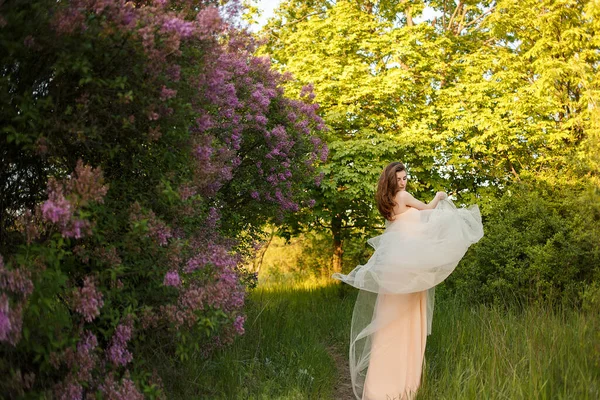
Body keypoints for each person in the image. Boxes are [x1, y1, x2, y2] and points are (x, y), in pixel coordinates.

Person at [332, 161, 484, 400]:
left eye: (405, 178)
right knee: (403, 323)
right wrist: (439, 196)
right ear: (391, 180)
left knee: (389, 323)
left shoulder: (387, 202)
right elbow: (428, 210)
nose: (403, 182)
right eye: (399, 178)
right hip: (407, 272)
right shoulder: (403, 196)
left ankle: (380, 387)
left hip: (396, 270)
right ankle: (397, 388)